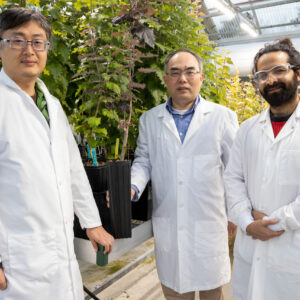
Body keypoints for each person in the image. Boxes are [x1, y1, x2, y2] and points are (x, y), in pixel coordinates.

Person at [0, 7, 114, 300]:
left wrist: (92, 222)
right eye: (17, 40)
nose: (29, 50)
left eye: (38, 42)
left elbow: (73, 170)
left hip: (59, 255)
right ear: (1, 46)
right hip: (18, 263)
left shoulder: (52, 104)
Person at [131, 49, 238, 299]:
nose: (183, 79)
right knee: (175, 291)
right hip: (169, 220)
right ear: (165, 79)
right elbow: (143, 161)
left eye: (190, 72)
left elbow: (235, 169)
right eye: (175, 73)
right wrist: (133, 187)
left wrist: (234, 211)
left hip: (208, 222)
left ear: (201, 78)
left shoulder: (222, 117)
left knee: (213, 292)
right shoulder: (149, 119)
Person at [224, 38, 300, 300]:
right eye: (262, 75)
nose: (271, 80)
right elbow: (233, 178)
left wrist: (271, 222)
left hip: (292, 248)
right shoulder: (247, 129)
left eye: (279, 70)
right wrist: (246, 222)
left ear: (297, 73)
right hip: (250, 247)